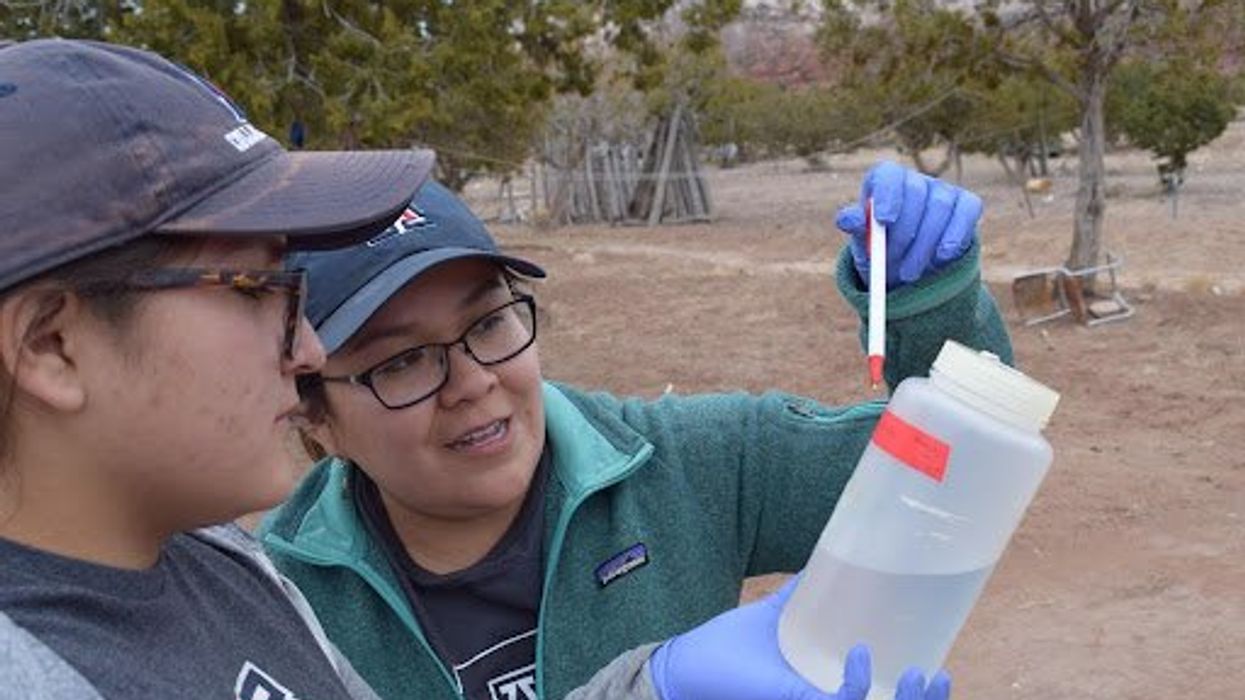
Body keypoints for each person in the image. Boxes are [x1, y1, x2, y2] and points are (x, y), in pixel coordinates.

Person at [0, 37, 940, 700]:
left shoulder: (224, 569)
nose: (305, 353)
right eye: (253, 288)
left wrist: (654, 688)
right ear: (51, 346)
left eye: (489, 323)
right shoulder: (254, 574)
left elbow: (935, 465)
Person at [264, 163, 1008, 699]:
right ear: (313, 414)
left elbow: (952, 474)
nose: (472, 382)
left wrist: (927, 306)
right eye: (401, 362)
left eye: (488, 323)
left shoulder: (689, 464)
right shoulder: (272, 604)